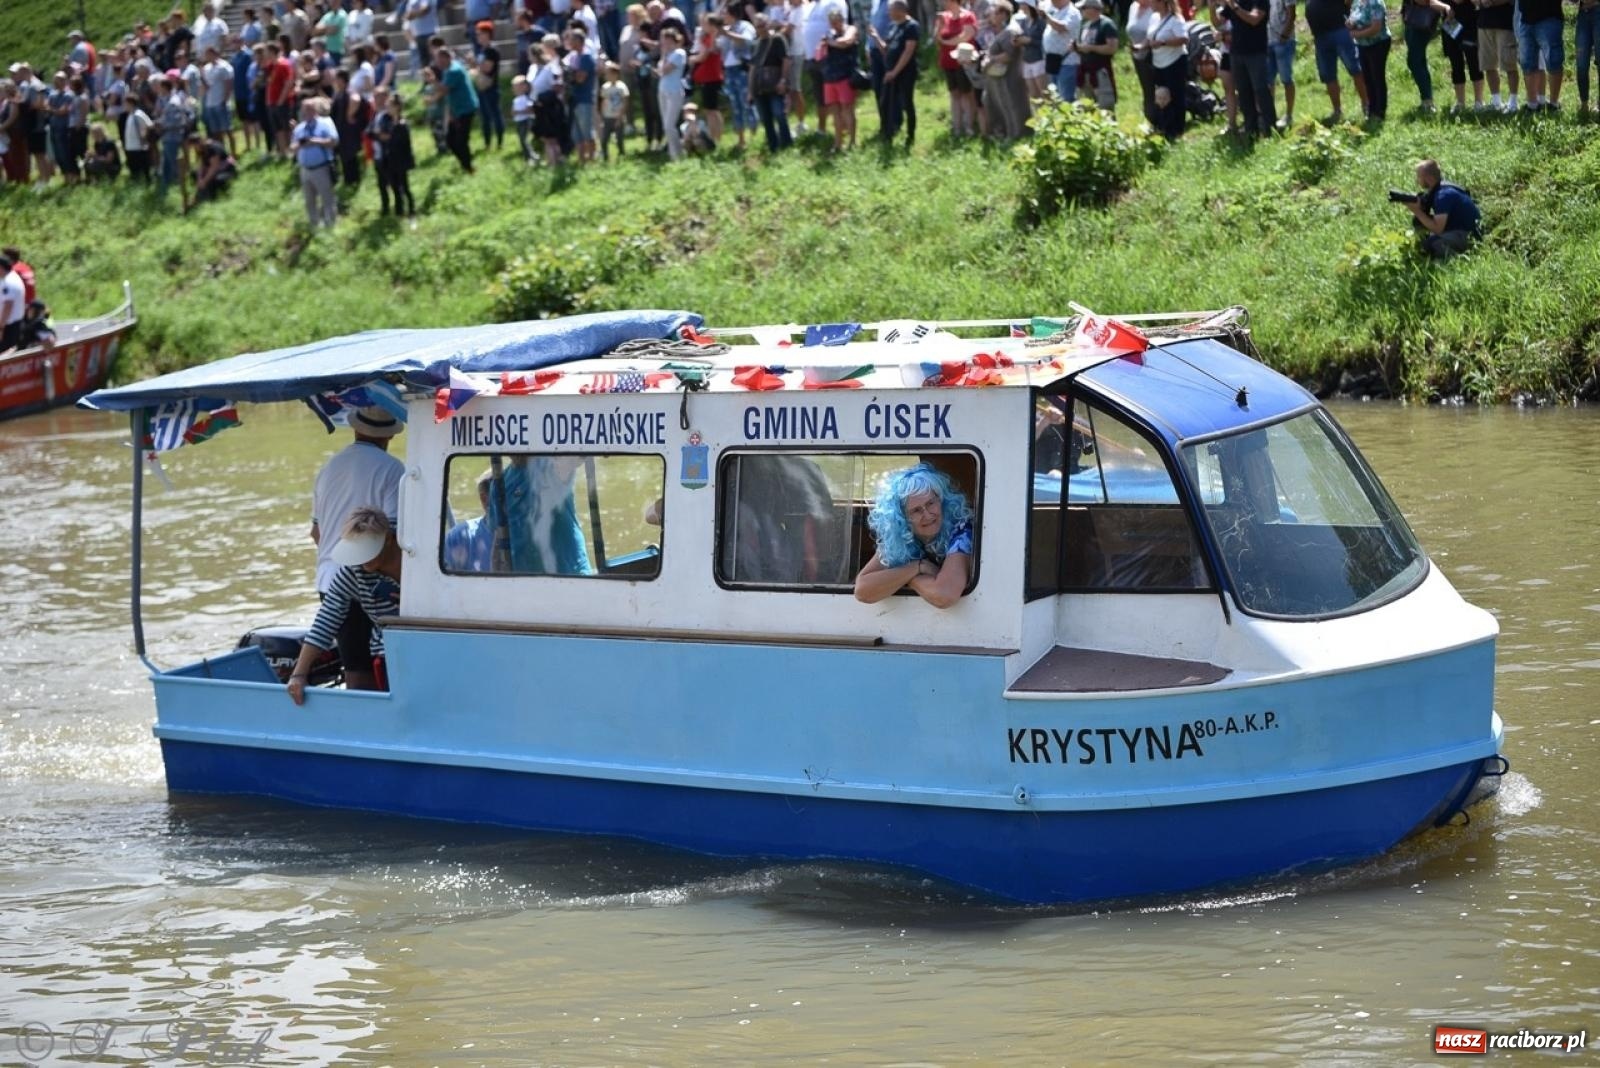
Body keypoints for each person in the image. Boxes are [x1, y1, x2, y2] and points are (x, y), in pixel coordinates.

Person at [308, 410, 404, 696]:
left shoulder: (328, 468)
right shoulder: (392, 469)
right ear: (390, 434)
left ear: (355, 429)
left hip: (329, 578)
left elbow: (316, 533)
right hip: (374, 582)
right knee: (386, 668)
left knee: (356, 671)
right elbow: (395, 533)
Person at [287, 507, 403, 705]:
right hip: (388, 651)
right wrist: (299, 674)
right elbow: (327, 617)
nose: (362, 559)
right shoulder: (353, 572)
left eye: (369, 551)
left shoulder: (418, 554)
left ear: (389, 539)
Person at [854, 464, 974, 609]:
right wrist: (917, 568)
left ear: (941, 501)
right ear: (902, 518)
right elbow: (862, 591)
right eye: (916, 511)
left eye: (930, 503)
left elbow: (944, 595)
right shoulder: (899, 538)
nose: (928, 515)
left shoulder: (962, 530)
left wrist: (908, 579)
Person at [1219, 0, 1275, 135]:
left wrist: (1235, 7)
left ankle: (1270, 128)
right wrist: (1211, 6)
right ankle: (1251, 129)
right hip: (1236, 53)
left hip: (1256, 52)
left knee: (1261, 90)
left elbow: (1254, 19)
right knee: (1244, 93)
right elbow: (1219, 22)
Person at [1306, 0, 1369, 120]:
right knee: (1328, 75)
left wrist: (1351, 18)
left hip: (1340, 29)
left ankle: (1367, 104)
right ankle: (1337, 111)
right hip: (1320, 36)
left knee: (1355, 68)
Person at [1406, 158, 1481, 258]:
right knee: (1423, 232)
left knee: (1434, 243)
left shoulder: (1443, 195)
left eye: (1419, 177)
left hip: (1470, 236)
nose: (1417, 180)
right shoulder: (1442, 188)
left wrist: (1416, 210)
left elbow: (1438, 229)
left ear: (1428, 178)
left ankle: (1458, 260)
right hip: (1461, 230)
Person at [874, 0, 918, 145]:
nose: (889, 13)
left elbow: (908, 51)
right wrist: (875, 37)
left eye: (891, 10)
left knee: (907, 103)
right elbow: (886, 48)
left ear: (900, 11)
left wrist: (895, 72)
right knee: (885, 102)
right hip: (890, 72)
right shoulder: (893, 26)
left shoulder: (911, 26)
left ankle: (910, 136)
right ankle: (887, 134)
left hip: (905, 72)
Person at [291, 97, 339, 228]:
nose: (305, 112)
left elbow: (334, 141)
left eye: (309, 109)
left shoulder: (326, 123)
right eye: (304, 109)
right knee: (309, 200)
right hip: (305, 170)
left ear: (315, 110)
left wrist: (314, 141)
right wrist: (300, 145)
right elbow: (292, 148)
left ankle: (331, 225)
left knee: (327, 198)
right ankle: (314, 225)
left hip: (321, 168)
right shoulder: (299, 128)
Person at [370, 88, 418, 217]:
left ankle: (412, 210)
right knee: (395, 187)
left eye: (390, 106)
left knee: (405, 187)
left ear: (396, 108)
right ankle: (399, 212)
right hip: (390, 159)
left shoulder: (402, 124)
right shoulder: (389, 121)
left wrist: (386, 137)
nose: (387, 109)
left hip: (401, 160)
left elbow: (397, 141)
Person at [433, 41, 479, 172]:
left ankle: (469, 167)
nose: (437, 62)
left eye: (438, 59)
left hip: (466, 108)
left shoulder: (454, 71)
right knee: (450, 140)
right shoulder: (450, 68)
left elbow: (444, 90)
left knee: (461, 140)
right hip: (457, 109)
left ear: (446, 58)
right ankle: (465, 163)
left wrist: (432, 81)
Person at [936, 0, 979, 136]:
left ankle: (969, 126)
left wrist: (945, 42)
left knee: (967, 93)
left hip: (963, 60)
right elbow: (936, 38)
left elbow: (966, 36)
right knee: (954, 94)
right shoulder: (944, 17)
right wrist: (939, 27)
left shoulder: (968, 16)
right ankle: (957, 127)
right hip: (947, 60)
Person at [821, 5, 859, 150]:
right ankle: (838, 143)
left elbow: (846, 42)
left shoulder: (850, 29)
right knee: (834, 111)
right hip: (830, 76)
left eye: (836, 21)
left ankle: (852, 141)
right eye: (832, 22)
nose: (834, 25)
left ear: (842, 19)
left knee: (847, 109)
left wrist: (830, 43)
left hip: (845, 75)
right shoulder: (828, 33)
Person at [1517, 0, 1564, 109]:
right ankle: (1532, 105)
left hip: (1549, 17)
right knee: (1527, 63)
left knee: (1553, 61)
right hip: (1526, 19)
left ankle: (1553, 104)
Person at [1347, 0, 1390, 119]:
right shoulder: (1357, 3)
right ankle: (1372, 111)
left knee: (1377, 77)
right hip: (1362, 45)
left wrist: (1356, 34)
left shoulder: (1376, 3)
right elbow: (1353, 19)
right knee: (1367, 78)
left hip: (1378, 43)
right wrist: (1350, 24)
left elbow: (1376, 28)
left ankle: (1380, 112)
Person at [1076, 0, 1120, 110]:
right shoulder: (1085, 25)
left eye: (1084, 8)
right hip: (1085, 71)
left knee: (1105, 106)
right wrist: (1077, 48)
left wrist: (1091, 48)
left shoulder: (1106, 24)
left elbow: (1112, 48)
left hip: (1101, 71)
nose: (1081, 11)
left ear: (1093, 8)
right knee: (1087, 106)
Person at [1476, 0, 1517, 110]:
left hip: (1505, 23)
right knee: (1488, 65)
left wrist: (1492, 2)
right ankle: (1496, 101)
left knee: (1509, 65)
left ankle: (1513, 103)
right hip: (1484, 23)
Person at [1041, 0, 1081, 101]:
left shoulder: (1072, 12)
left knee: (1066, 99)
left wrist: (1046, 17)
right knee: (1055, 97)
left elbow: (1062, 27)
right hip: (1052, 60)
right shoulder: (1054, 10)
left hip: (1067, 62)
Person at [474, 21, 505, 150]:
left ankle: (499, 142)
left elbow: (487, 68)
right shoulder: (482, 50)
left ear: (487, 34)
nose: (478, 36)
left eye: (480, 34)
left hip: (491, 88)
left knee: (495, 115)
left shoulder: (492, 51)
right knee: (485, 118)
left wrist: (474, 64)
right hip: (482, 88)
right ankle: (487, 143)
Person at [658, 25, 688, 159]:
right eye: (664, 40)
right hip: (663, 90)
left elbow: (665, 69)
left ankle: (678, 154)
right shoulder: (667, 55)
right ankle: (672, 153)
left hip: (674, 91)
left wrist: (664, 55)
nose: (666, 43)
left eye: (668, 40)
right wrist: (664, 54)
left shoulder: (679, 53)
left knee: (669, 125)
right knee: (666, 125)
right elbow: (661, 70)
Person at [1266, 0, 1298, 126]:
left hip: (1284, 41)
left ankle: (1289, 115)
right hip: (1267, 41)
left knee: (1286, 78)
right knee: (1268, 81)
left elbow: (1292, 14)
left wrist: (1284, 36)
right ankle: (1270, 115)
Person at [188, 129, 237, 205]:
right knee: (194, 173)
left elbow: (214, 168)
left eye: (194, 146)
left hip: (226, 170)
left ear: (199, 142)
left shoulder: (213, 148)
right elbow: (201, 165)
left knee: (213, 180)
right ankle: (201, 193)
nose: (194, 149)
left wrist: (204, 181)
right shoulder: (201, 148)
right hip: (213, 168)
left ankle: (212, 199)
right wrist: (199, 178)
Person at [598, 61, 630, 159]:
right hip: (607, 116)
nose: (607, 76)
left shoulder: (622, 87)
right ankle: (605, 157)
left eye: (609, 73)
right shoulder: (605, 87)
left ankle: (621, 155)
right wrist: (602, 116)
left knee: (619, 139)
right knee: (604, 139)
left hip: (618, 116)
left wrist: (620, 117)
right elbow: (603, 102)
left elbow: (625, 102)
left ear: (615, 74)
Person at [0, 254, 24, 352]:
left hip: (8, 327)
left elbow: (8, 306)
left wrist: (1, 328)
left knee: (4, 353)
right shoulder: (10, 276)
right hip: (8, 325)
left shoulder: (9, 283)